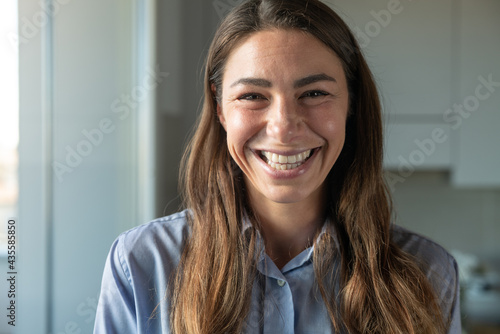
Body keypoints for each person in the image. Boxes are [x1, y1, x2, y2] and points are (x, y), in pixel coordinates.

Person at [94, 0, 461, 333]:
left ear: (351, 104)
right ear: (220, 109)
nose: (283, 127)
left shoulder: (429, 271)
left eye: (314, 93)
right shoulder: (140, 263)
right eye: (253, 96)